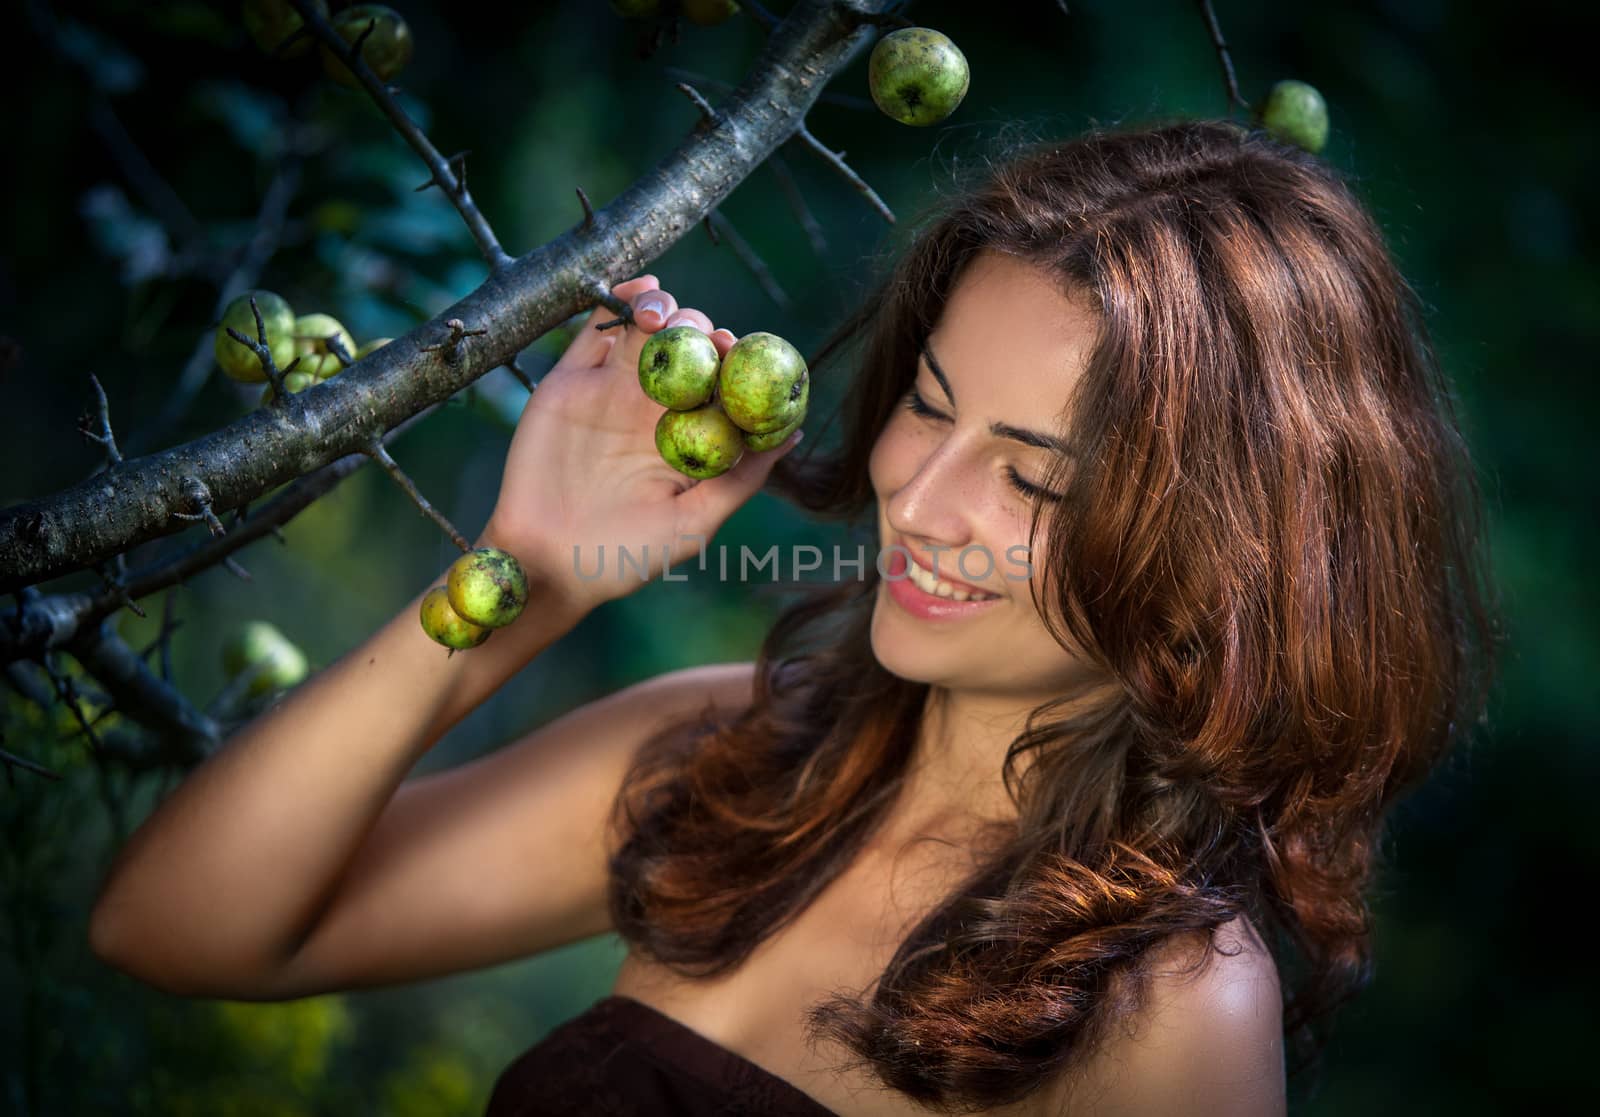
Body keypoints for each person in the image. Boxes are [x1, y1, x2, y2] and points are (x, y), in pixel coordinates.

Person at [85, 117, 1500, 1116]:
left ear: (1218, 546)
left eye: (1032, 474)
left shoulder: (1166, 1009)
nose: (921, 495)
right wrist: (528, 576)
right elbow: (177, 927)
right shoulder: (746, 753)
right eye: (928, 408)